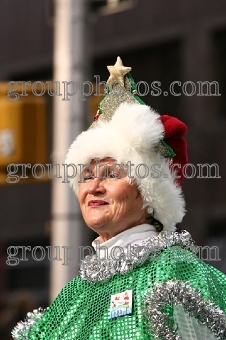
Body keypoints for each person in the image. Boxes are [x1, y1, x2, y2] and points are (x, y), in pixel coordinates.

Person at [12, 57, 226, 339]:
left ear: (148, 192)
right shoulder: (73, 294)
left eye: (112, 174)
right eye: (86, 176)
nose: (94, 187)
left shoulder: (177, 274)